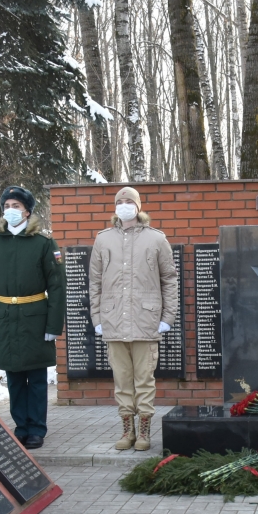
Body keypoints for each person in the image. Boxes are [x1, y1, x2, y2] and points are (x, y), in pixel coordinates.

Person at [89, 187, 178, 451]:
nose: (124, 206)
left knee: (144, 380)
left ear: (138, 206)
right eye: (120, 202)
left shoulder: (156, 239)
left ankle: (144, 433)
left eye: (129, 201)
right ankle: (127, 431)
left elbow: (169, 280)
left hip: (146, 320)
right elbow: (94, 282)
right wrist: (97, 317)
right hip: (114, 320)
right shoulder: (103, 240)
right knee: (122, 380)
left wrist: (168, 317)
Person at [0, 185, 64, 449]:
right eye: (6, 206)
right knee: (14, 377)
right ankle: (21, 426)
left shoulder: (43, 244)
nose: (10, 211)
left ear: (28, 211)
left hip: (35, 318)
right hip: (5, 317)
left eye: (15, 206)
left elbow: (57, 286)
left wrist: (53, 325)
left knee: (37, 379)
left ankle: (37, 429)